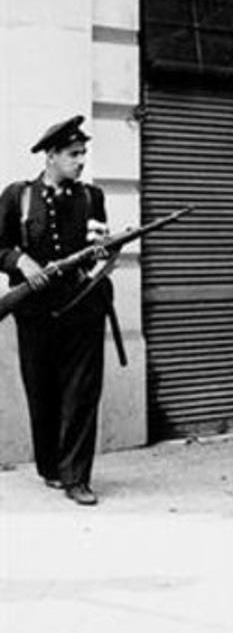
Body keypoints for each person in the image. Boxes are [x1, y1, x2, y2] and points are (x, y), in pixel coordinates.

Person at [0, 115, 110, 505]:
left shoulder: (91, 197)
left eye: (83, 153)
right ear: (50, 156)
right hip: (35, 313)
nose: (81, 161)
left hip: (82, 308)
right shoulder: (18, 196)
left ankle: (76, 477)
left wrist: (103, 252)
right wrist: (20, 262)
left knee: (81, 394)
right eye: (73, 154)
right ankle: (50, 466)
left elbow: (101, 245)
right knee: (42, 390)